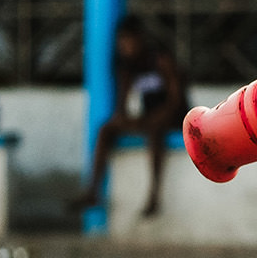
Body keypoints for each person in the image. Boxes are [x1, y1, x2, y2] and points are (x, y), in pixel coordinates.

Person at [69, 15, 187, 218]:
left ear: (140, 39)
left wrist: (156, 118)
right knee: (106, 129)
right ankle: (93, 191)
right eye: (121, 41)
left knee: (155, 130)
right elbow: (122, 104)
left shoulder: (160, 59)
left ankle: (154, 195)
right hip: (148, 117)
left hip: (174, 117)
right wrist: (123, 119)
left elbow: (176, 100)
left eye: (128, 40)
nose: (125, 46)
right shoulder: (126, 67)